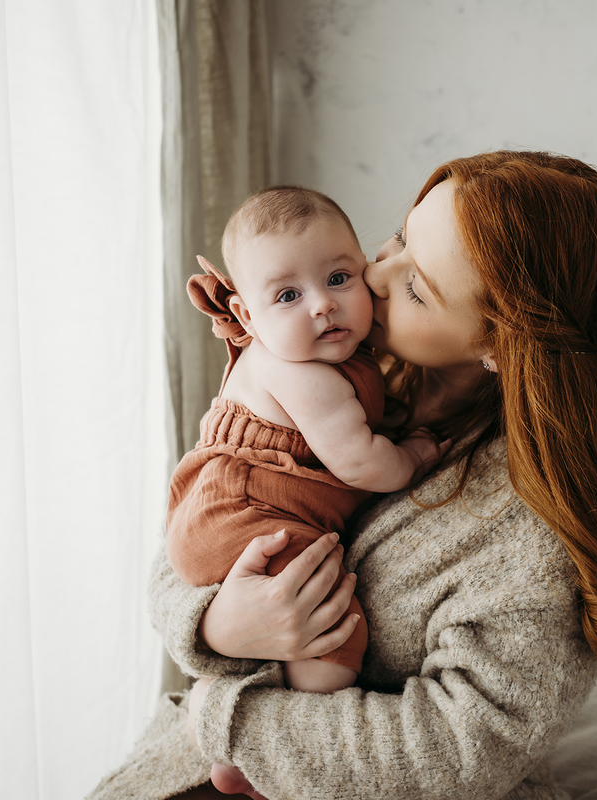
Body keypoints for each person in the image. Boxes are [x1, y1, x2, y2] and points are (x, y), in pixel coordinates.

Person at [90, 150, 597, 800]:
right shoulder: (329, 357)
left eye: (417, 285)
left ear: (501, 344)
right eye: (398, 239)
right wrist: (217, 622)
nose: (373, 275)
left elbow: (455, 754)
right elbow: (195, 519)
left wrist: (223, 719)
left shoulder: (533, 540)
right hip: (192, 757)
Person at [165, 187, 446, 720]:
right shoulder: (303, 374)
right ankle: (306, 720)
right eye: (288, 296)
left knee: (293, 615)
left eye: (338, 278)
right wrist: (413, 455)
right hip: (246, 513)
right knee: (332, 618)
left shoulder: (331, 353)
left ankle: (250, 706)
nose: (322, 304)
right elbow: (361, 461)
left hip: (231, 508)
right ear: (247, 316)